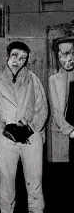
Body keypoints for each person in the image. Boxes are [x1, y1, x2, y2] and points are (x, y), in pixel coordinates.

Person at [0, 41, 48, 213]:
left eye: (23, 58)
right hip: (5, 136)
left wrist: (31, 128)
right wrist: (3, 129)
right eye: (15, 56)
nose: (18, 60)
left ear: (27, 61)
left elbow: (42, 109)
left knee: (34, 177)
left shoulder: (33, 79)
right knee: (7, 176)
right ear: (8, 56)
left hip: (29, 135)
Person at [48, 38, 74, 167]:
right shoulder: (54, 80)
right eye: (65, 54)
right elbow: (56, 111)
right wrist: (69, 131)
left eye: (73, 53)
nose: (70, 58)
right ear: (58, 56)